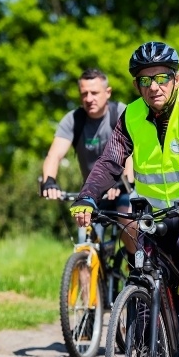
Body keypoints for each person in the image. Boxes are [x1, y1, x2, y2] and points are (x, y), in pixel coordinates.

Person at [70, 41, 179, 349]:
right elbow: (110, 161)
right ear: (136, 84)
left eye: (162, 78)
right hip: (156, 214)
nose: (154, 87)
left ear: (177, 79)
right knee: (144, 274)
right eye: (145, 80)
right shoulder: (130, 115)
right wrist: (87, 196)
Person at [41, 68, 135, 251]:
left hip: (124, 189)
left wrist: (122, 184)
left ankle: (135, 270)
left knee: (129, 226)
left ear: (108, 93)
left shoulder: (120, 113)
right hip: (93, 192)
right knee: (85, 244)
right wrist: (49, 182)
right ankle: (86, 273)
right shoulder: (74, 120)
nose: (89, 98)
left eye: (94, 93)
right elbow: (54, 155)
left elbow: (130, 155)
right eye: (84, 94)